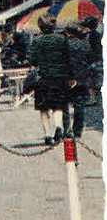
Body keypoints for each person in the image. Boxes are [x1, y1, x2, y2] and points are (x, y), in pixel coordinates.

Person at [27, 16, 74, 145]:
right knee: (58, 106)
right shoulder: (62, 39)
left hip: (43, 77)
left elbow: (32, 59)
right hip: (60, 77)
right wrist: (71, 76)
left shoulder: (36, 41)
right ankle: (59, 126)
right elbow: (68, 58)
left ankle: (48, 135)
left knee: (44, 108)